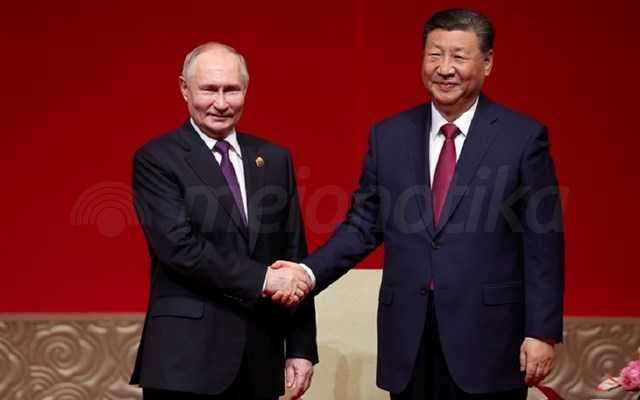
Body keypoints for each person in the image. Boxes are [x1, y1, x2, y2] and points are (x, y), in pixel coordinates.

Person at [271, 8, 564, 400]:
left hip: (489, 340)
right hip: (408, 339)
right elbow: (363, 224)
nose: (444, 68)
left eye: (458, 57)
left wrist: (542, 331)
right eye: (434, 55)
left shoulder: (522, 138)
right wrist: (308, 273)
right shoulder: (389, 136)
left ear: (487, 62)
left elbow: (543, 243)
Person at [129, 42, 318, 400]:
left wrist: (300, 346)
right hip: (186, 361)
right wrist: (263, 279)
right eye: (209, 89)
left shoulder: (274, 159)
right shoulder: (157, 159)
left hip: (260, 355)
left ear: (246, 90)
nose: (220, 102)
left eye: (231, 90)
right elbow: (179, 248)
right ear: (184, 88)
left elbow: (293, 253)